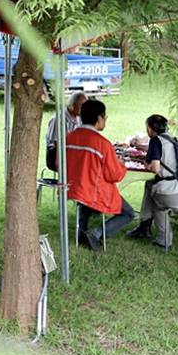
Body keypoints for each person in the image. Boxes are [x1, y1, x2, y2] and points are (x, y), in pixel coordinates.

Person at [65, 99, 134, 250]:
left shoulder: (69, 137)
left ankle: (81, 232)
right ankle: (96, 233)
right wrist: (121, 164)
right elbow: (114, 175)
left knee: (84, 201)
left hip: (72, 187)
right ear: (99, 118)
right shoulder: (102, 144)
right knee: (128, 213)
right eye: (105, 117)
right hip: (94, 190)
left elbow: (59, 164)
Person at [126, 115, 178, 248]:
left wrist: (146, 164)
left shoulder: (155, 141)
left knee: (158, 202)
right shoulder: (174, 140)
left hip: (172, 195)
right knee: (150, 185)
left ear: (149, 128)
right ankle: (144, 225)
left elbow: (155, 169)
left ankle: (163, 240)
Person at [45, 91, 87, 171]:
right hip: (55, 154)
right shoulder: (59, 119)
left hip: (71, 151)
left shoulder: (79, 117)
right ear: (72, 106)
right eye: (82, 106)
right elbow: (56, 143)